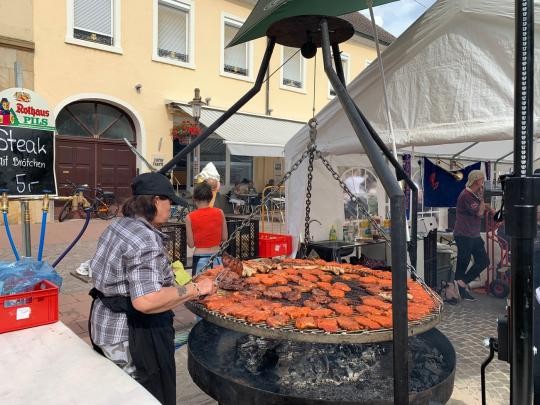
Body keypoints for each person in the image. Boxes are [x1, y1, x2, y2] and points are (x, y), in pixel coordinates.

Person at [88, 172, 216, 405]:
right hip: (129, 336)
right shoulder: (144, 239)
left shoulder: (119, 226)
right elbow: (146, 300)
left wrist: (177, 283)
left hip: (103, 326)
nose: (172, 209)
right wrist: (196, 288)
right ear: (156, 201)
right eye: (169, 202)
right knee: (145, 396)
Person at [453, 169, 491, 301]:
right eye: (482, 180)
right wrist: (482, 199)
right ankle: (459, 291)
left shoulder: (472, 194)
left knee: (484, 261)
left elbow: (480, 208)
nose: (483, 183)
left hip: (473, 235)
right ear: (477, 181)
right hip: (464, 235)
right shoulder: (466, 196)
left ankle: (461, 283)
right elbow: (479, 213)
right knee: (462, 263)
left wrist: (490, 208)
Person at [186, 181, 228, 276]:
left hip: (199, 257)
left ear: (194, 198)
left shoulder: (189, 217)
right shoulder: (220, 212)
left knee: (200, 286)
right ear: (211, 197)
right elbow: (225, 237)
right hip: (217, 256)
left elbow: (191, 244)